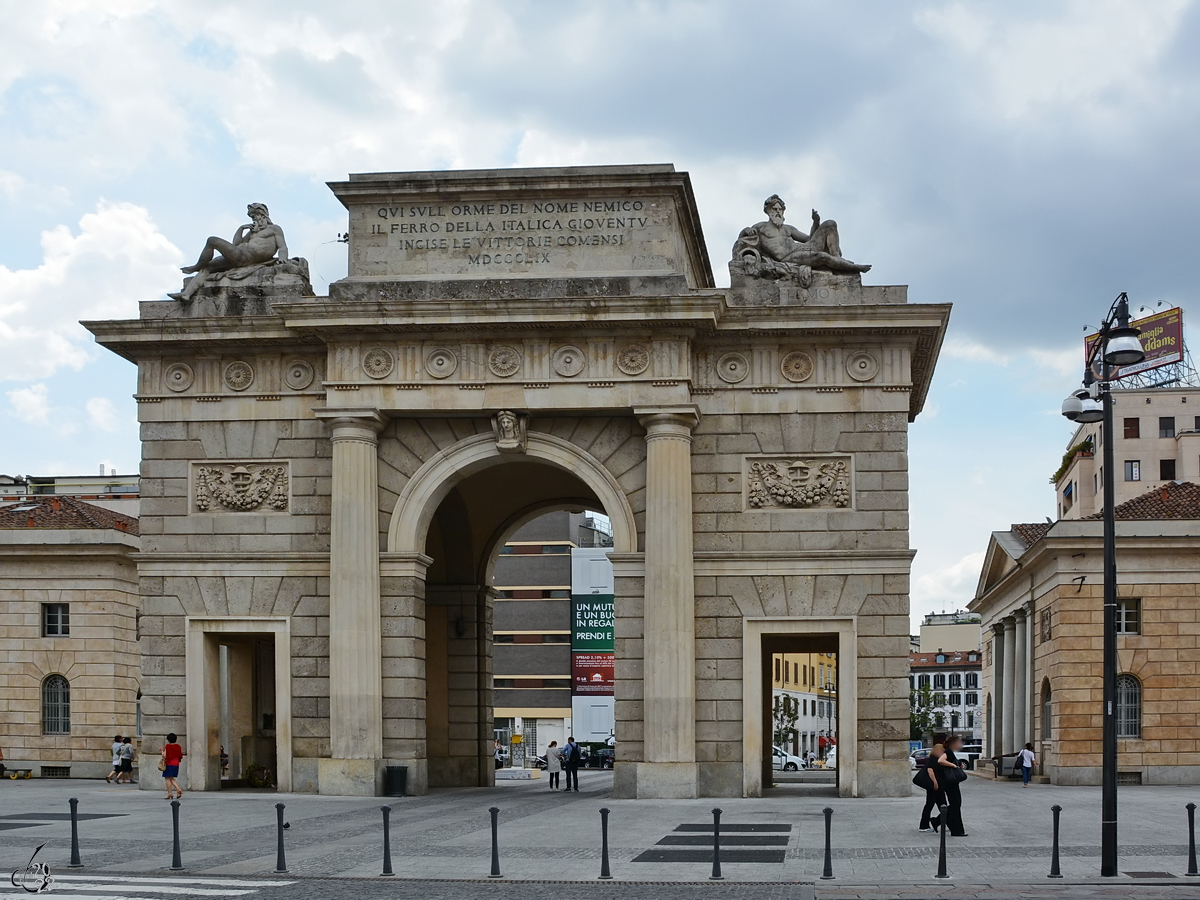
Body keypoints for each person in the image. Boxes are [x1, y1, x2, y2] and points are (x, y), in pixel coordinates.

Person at [173, 203, 289, 302]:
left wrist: (282, 258)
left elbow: (282, 247)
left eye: (255, 216)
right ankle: (186, 294)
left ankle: (196, 266)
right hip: (240, 255)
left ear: (263, 215)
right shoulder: (252, 232)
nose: (254, 220)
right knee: (207, 267)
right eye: (252, 217)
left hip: (247, 257)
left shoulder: (274, 229)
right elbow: (236, 245)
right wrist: (241, 229)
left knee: (212, 240)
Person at [732, 195, 871, 274]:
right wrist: (745, 230)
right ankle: (854, 268)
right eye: (774, 209)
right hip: (788, 257)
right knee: (821, 256)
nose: (778, 212)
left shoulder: (788, 229)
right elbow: (742, 241)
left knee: (830, 224)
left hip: (802, 249)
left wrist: (815, 223)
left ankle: (837, 258)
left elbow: (809, 239)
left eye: (780, 209)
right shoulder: (760, 227)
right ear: (768, 211)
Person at [930, 735, 968, 837]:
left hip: (950, 782)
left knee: (955, 805)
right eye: (959, 743)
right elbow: (941, 760)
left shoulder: (948, 752)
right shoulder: (948, 752)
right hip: (950, 783)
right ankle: (954, 829)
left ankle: (940, 822)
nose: (961, 745)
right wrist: (954, 766)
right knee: (955, 804)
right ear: (954, 743)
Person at [917, 733, 947, 832]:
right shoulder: (933, 759)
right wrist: (935, 783)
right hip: (935, 787)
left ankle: (945, 823)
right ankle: (924, 825)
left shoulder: (936, 759)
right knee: (930, 805)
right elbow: (930, 771)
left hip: (938, 787)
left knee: (942, 805)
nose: (943, 752)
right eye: (942, 750)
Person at [161, 733, 184, 800]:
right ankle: (178, 789)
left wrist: (162, 751)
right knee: (172, 778)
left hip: (169, 763)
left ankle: (170, 793)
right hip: (176, 764)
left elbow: (164, 756)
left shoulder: (168, 746)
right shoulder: (178, 746)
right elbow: (180, 755)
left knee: (167, 778)